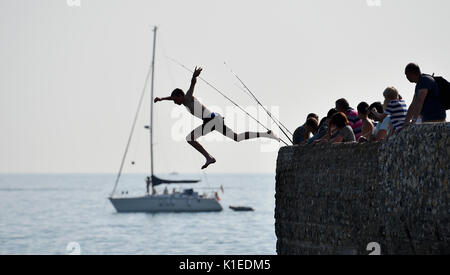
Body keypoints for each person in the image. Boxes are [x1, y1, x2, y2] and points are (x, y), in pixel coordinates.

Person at [154, 67, 280, 169]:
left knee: (190, 138)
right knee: (237, 137)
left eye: (175, 100)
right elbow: (172, 98)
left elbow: (192, 84)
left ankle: (209, 158)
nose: (174, 102)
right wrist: (161, 99)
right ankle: (266, 134)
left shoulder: (187, 97)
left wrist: (194, 77)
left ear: (180, 96)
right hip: (214, 120)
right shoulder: (183, 100)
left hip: (211, 120)